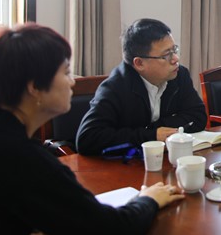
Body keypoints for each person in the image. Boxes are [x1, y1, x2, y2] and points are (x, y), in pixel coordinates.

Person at [0, 24, 184, 235]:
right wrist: (148, 199)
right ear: (35, 87)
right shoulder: (24, 159)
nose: (72, 81)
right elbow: (111, 228)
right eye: (66, 72)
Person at [76, 18, 207, 155]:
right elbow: (87, 138)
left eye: (174, 50)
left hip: (166, 157)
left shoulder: (179, 75)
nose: (175, 59)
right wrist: (151, 135)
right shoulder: (115, 87)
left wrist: (156, 128)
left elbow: (198, 116)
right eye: (166, 55)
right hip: (126, 163)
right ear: (139, 63)